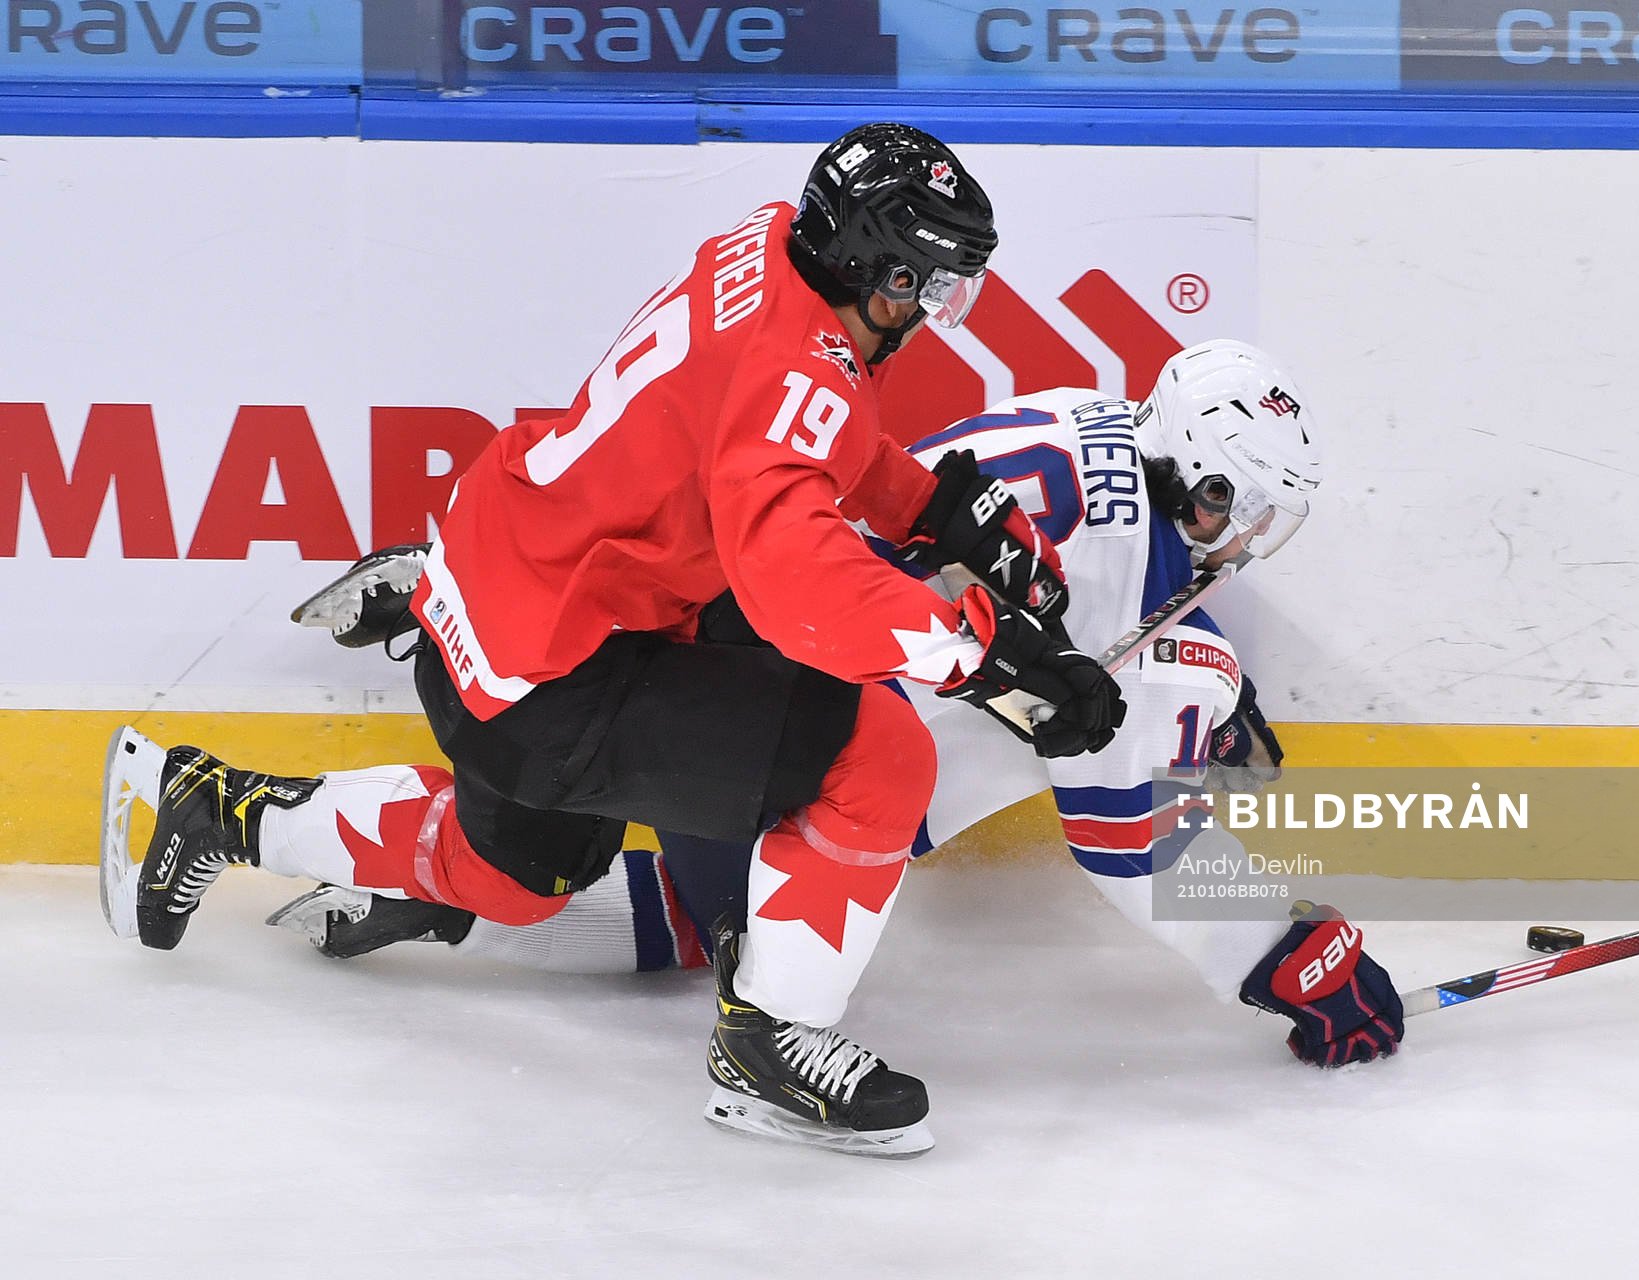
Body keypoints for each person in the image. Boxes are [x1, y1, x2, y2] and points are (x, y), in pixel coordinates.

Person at [98, 123, 1128, 1157]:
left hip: (506, 582)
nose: (928, 315)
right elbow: (798, 582)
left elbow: (770, 418)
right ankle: (769, 1045)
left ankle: (223, 806)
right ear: (875, 264)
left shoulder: (768, 243)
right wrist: (985, 654)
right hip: (560, 674)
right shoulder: (804, 371)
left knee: (520, 876)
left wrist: (930, 506)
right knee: (881, 753)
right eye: (927, 287)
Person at [266, 340, 1405, 1084]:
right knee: (722, 899)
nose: (1244, 540)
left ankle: (420, 854)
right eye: (1237, 508)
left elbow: (1042, 578)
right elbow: (1128, 835)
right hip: (774, 717)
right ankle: (755, 1042)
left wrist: (1184, 672)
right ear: (1197, 482)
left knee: (605, 872)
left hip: (722, 636)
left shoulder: (1084, 416)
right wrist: (1284, 949)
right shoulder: (1120, 583)